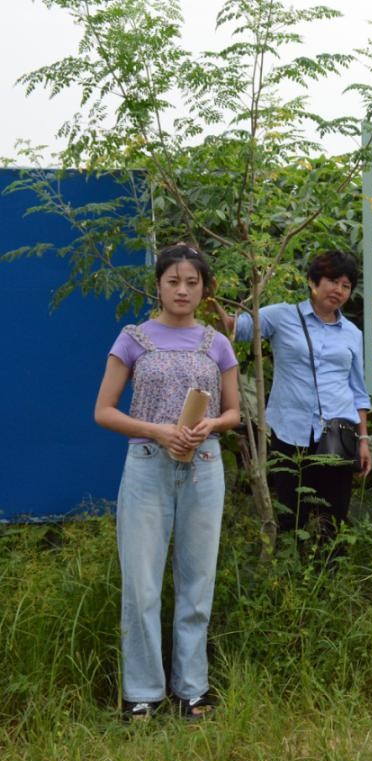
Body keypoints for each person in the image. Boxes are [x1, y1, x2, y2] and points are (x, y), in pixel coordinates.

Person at [94, 243, 241, 721]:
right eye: (174, 281)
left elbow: (235, 412)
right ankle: (142, 692)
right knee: (141, 583)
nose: (183, 290)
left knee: (197, 581)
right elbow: (104, 411)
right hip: (146, 466)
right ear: (158, 284)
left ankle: (192, 689)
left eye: (192, 282)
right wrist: (157, 429)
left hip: (204, 467)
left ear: (204, 289)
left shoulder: (216, 342)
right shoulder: (133, 338)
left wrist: (210, 426)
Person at [232, 250, 372, 542]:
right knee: (289, 514)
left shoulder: (352, 333)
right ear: (312, 281)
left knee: (332, 518)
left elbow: (358, 391)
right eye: (332, 281)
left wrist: (364, 440)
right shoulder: (282, 316)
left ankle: (328, 581)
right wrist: (208, 296)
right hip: (289, 429)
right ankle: (289, 579)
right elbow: (237, 330)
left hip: (337, 432)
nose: (338, 290)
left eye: (346, 285)